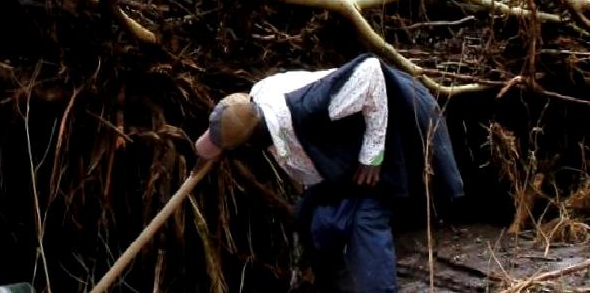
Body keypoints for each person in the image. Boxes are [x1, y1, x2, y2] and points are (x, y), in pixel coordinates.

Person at [193, 54, 464, 293]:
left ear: (253, 138)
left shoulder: (306, 107)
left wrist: (372, 155)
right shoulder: (254, 107)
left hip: (395, 130)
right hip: (346, 159)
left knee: (366, 221)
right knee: (316, 220)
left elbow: (371, 71)